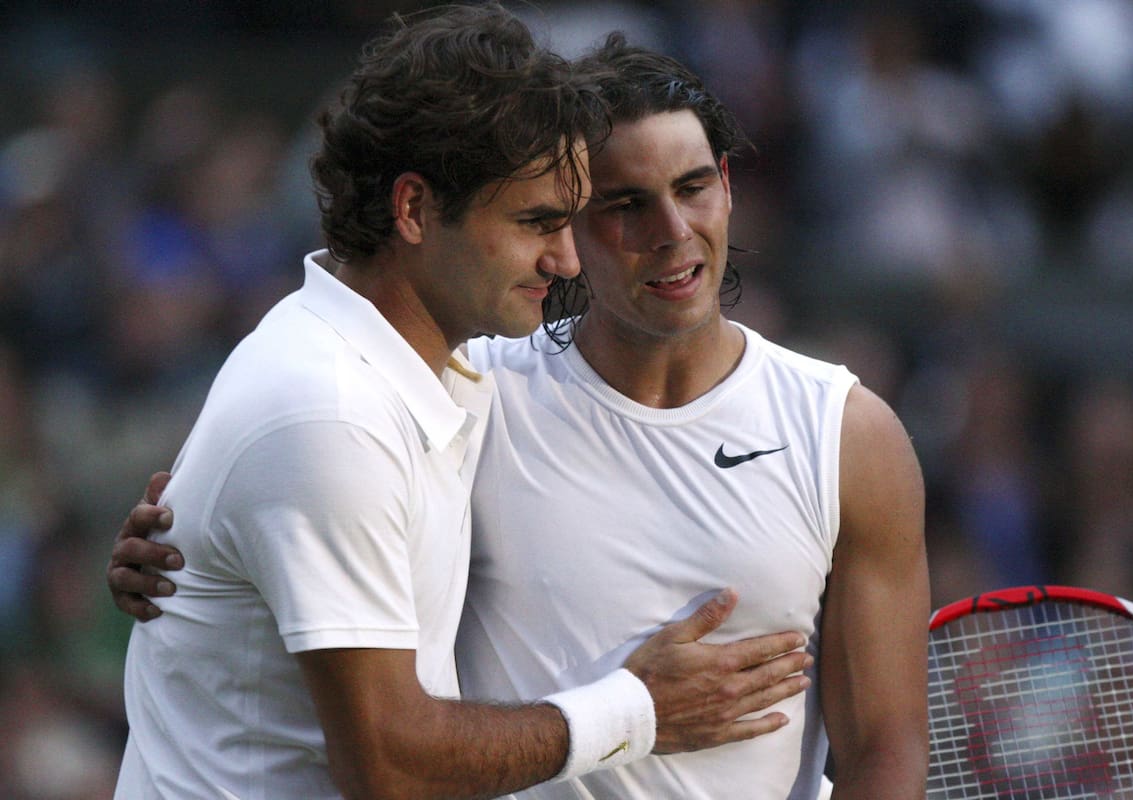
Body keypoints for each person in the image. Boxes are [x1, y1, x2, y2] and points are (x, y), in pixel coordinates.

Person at [109, 27, 929, 800]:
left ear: (728, 184)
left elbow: (885, 748)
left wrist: (202, 548)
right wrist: (195, 553)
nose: (674, 233)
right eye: (621, 205)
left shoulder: (847, 435)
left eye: (693, 188)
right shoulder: (461, 390)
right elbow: (312, 461)